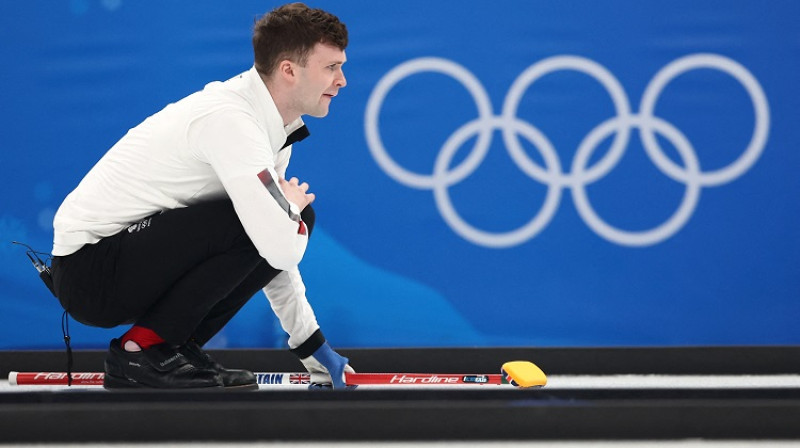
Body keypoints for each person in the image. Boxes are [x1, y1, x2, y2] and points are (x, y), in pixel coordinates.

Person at [49, 3, 353, 390]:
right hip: (90, 270)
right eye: (331, 67)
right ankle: (141, 350)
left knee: (280, 221)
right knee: (279, 221)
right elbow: (280, 245)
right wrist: (289, 211)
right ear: (289, 70)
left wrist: (311, 345)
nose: (342, 80)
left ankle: (172, 348)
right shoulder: (233, 121)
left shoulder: (274, 129)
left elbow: (271, 248)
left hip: (119, 262)